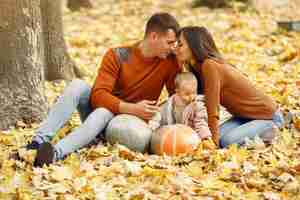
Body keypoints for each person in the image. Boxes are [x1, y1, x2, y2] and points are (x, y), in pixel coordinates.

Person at [26, 12, 181, 167]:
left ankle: (54, 153)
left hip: (124, 127)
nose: (172, 47)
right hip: (102, 113)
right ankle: (37, 143)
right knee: (77, 85)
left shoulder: (169, 62)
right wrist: (132, 108)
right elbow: (98, 95)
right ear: (154, 37)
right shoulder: (117, 55)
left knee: (103, 112)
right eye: (169, 42)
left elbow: (176, 97)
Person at [175, 26, 284, 148]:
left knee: (226, 142)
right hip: (242, 117)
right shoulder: (196, 68)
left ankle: (272, 131)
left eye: (180, 45)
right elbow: (198, 104)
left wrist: (213, 143)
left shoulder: (210, 65)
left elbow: (212, 107)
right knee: (216, 137)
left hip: (268, 116)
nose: (176, 48)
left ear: (193, 45)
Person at [148, 72, 212, 140]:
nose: (191, 97)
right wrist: (153, 124)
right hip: (175, 133)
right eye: (187, 94)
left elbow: (200, 122)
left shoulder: (197, 105)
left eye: (194, 92)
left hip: (191, 134)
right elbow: (160, 114)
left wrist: (205, 136)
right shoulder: (171, 103)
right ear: (177, 92)